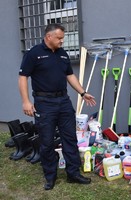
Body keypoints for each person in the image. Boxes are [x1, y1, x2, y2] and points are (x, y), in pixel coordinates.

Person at [18, 23, 96, 190]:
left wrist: (83, 93)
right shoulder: (34, 54)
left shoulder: (62, 54)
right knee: (46, 141)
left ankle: (73, 174)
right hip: (44, 104)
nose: (62, 41)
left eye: (63, 38)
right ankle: (50, 176)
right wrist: (26, 102)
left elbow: (69, 75)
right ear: (49, 37)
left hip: (63, 102)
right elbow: (23, 77)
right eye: (59, 38)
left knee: (70, 138)